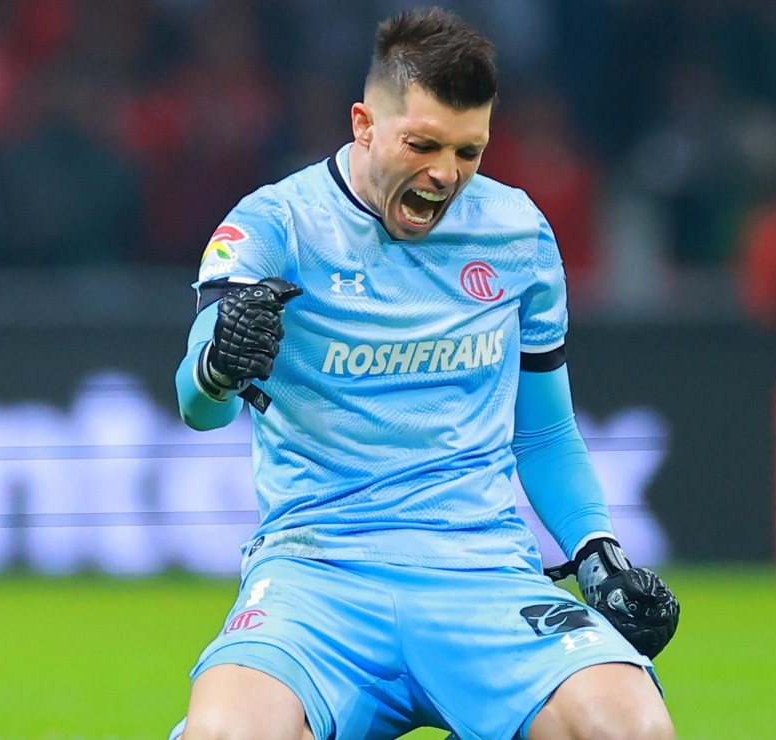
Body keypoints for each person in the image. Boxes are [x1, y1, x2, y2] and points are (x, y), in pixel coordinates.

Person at [170, 7, 679, 739]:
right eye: (424, 144)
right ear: (363, 125)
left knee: (634, 729)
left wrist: (597, 553)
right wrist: (220, 365)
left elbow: (544, 434)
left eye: (470, 151)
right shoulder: (273, 225)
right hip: (318, 577)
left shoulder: (517, 232)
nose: (446, 175)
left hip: (483, 578)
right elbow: (199, 405)